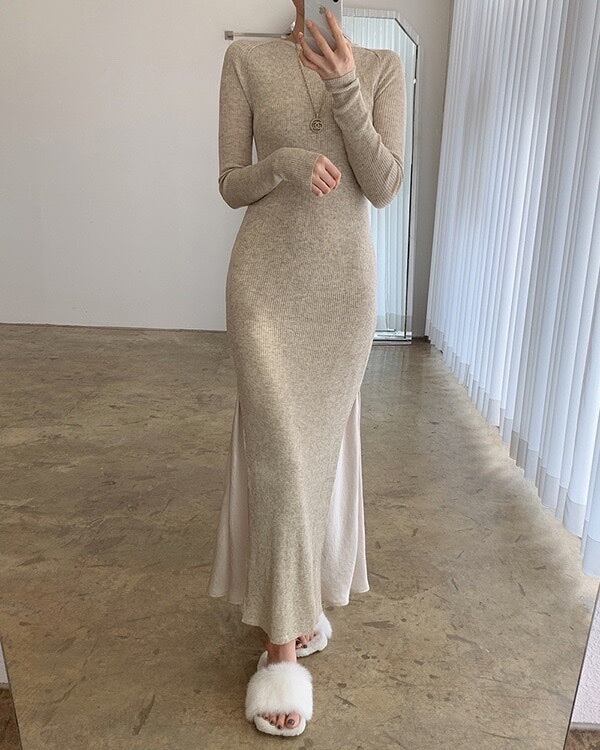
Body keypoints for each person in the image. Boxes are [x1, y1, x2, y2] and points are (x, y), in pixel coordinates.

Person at [208, 0, 406, 737]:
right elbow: (231, 183)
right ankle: (281, 651)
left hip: (341, 296)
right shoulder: (245, 60)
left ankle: (300, 606)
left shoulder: (383, 67)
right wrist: (285, 164)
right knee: (281, 459)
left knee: (315, 458)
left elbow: (383, 185)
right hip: (264, 286)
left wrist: (347, 86)